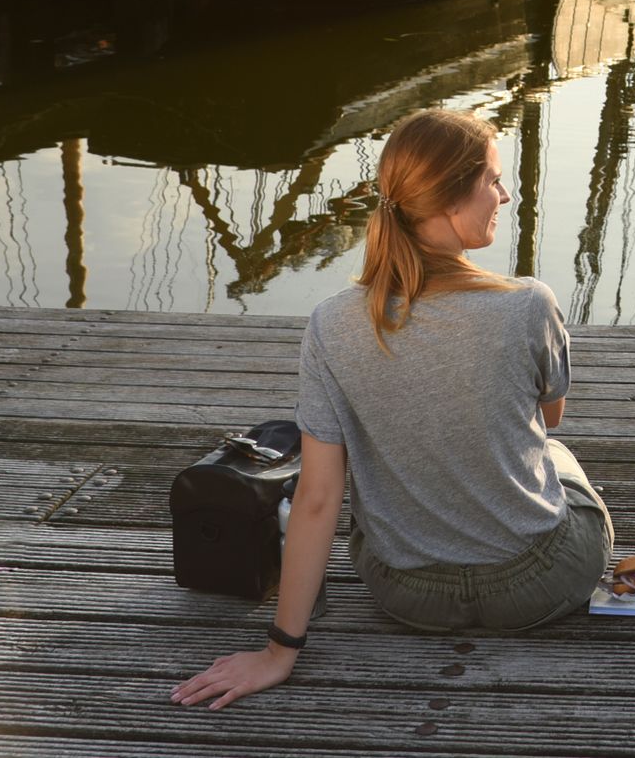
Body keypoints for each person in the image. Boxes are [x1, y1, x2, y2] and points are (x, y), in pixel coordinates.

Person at [175, 110, 608, 710]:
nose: (504, 196)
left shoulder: (331, 323)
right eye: (492, 180)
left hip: (408, 596)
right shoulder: (530, 304)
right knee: (556, 456)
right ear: (454, 197)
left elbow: (319, 498)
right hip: (536, 585)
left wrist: (279, 650)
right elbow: (550, 417)